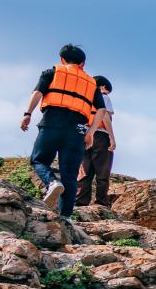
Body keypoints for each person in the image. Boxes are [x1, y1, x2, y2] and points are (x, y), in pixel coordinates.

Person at [19, 44, 107, 216]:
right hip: (77, 130)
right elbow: (101, 110)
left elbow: (37, 93)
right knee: (70, 174)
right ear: (83, 63)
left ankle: (51, 182)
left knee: (39, 160)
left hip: (52, 122)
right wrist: (90, 133)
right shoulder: (92, 84)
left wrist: (27, 114)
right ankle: (65, 217)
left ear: (62, 59)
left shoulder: (52, 73)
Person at [75, 75, 115, 207]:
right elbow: (105, 117)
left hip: (83, 135)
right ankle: (101, 203)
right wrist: (111, 137)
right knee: (102, 172)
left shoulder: (83, 97)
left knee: (84, 171)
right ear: (103, 87)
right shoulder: (104, 96)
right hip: (100, 135)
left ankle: (80, 203)